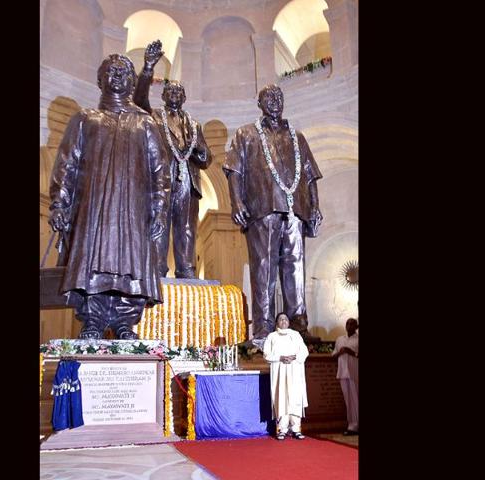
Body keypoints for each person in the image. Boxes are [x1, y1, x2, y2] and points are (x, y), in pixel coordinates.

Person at [48, 53, 170, 339]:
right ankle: (93, 320)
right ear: (100, 80)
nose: (119, 76)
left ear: (132, 82)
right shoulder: (85, 119)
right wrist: (59, 205)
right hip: (94, 210)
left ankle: (125, 322)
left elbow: (160, 173)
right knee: (92, 264)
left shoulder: (145, 123)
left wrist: (160, 210)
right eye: (112, 71)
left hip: (133, 211)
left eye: (125, 72)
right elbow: (67, 165)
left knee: (132, 267)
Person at [223, 84, 323, 347]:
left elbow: (311, 175)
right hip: (263, 208)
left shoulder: (297, 136)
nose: (275, 101)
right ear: (260, 103)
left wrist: (315, 205)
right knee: (263, 269)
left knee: (296, 267)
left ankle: (298, 324)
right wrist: (236, 203)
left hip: (295, 210)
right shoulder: (246, 134)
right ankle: (263, 329)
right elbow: (234, 170)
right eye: (269, 97)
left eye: (279, 97)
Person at [133, 40, 212, 278]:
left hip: (188, 181)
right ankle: (157, 268)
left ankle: (186, 269)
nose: (175, 94)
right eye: (171, 91)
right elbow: (138, 101)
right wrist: (148, 68)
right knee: (160, 222)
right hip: (162, 179)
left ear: (185, 97)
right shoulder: (155, 116)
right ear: (164, 95)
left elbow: (206, 158)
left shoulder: (195, 124)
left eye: (179, 91)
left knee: (187, 227)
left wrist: (199, 150)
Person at [263, 312, 309, 440]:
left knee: (294, 398)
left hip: (294, 370)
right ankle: (282, 429)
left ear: (289, 322)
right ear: (277, 323)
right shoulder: (272, 337)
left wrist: (294, 357)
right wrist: (280, 358)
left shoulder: (296, 335)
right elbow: (266, 354)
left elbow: (304, 351)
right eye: (281, 319)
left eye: (285, 319)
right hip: (280, 371)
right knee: (281, 398)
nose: (283, 321)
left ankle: (296, 428)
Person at [331, 318, 359, 435]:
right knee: (348, 400)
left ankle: (356, 426)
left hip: (354, 372)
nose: (349, 325)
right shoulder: (340, 339)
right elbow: (333, 356)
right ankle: (351, 424)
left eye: (352, 324)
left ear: (356, 327)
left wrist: (350, 351)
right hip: (342, 373)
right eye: (347, 323)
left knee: (355, 399)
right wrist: (340, 352)